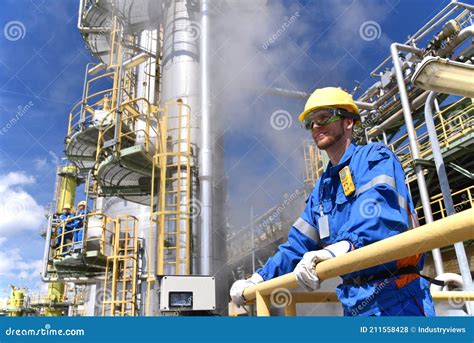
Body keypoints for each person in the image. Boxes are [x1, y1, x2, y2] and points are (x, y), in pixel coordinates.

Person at [230, 87, 435, 316]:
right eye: (311, 122)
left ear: (348, 122)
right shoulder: (321, 189)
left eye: (324, 118)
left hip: (397, 297)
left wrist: (341, 248)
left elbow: (379, 212)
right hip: (353, 302)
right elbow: (298, 244)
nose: (316, 127)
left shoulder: (375, 158)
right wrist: (258, 278)